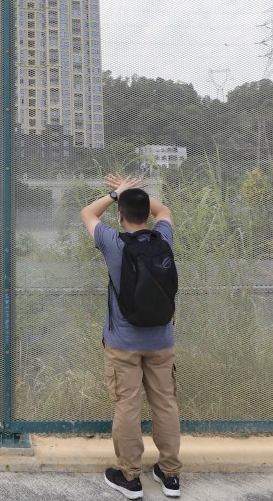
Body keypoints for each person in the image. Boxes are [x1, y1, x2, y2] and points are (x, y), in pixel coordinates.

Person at [79, 174, 182, 499]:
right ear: (145, 214)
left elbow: (87, 214)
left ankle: (130, 477)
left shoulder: (114, 243)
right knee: (165, 403)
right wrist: (136, 194)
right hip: (161, 341)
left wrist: (116, 193)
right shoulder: (163, 238)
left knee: (128, 406)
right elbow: (163, 211)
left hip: (123, 343)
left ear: (121, 215)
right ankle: (170, 476)